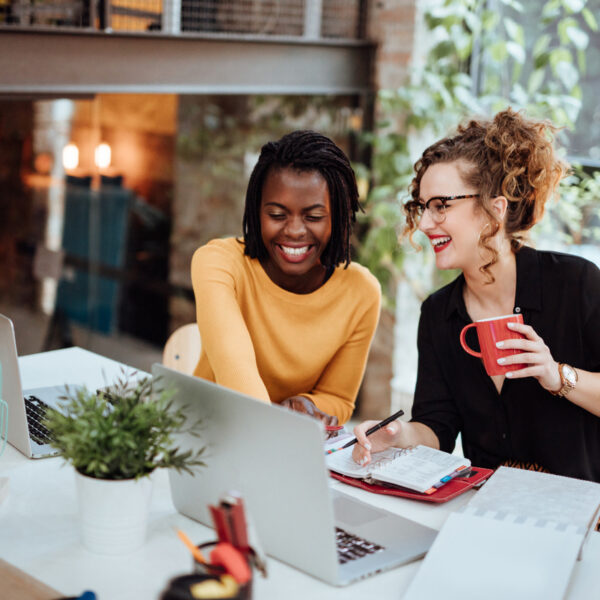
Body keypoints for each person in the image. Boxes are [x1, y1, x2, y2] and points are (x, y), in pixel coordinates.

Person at [353, 108, 600, 482]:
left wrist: (556, 375)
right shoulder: (438, 313)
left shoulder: (575, 283)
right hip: (485, 510)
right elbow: (437, 427)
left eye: (441, 205)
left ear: (494, 211)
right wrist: (396, 436)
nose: (423, 223)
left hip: (580, 519)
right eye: (423, 207)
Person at [191, 130, 381, 425]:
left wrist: (306, 405)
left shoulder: (361, 292)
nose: (294, 231)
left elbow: (339, 399)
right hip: (209, 431)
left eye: (314, 217)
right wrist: (277, 424)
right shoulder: (219, 263)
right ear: (256, 212)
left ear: (340, 217)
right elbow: (235, 369)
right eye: (277, 214)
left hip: (287, 442)